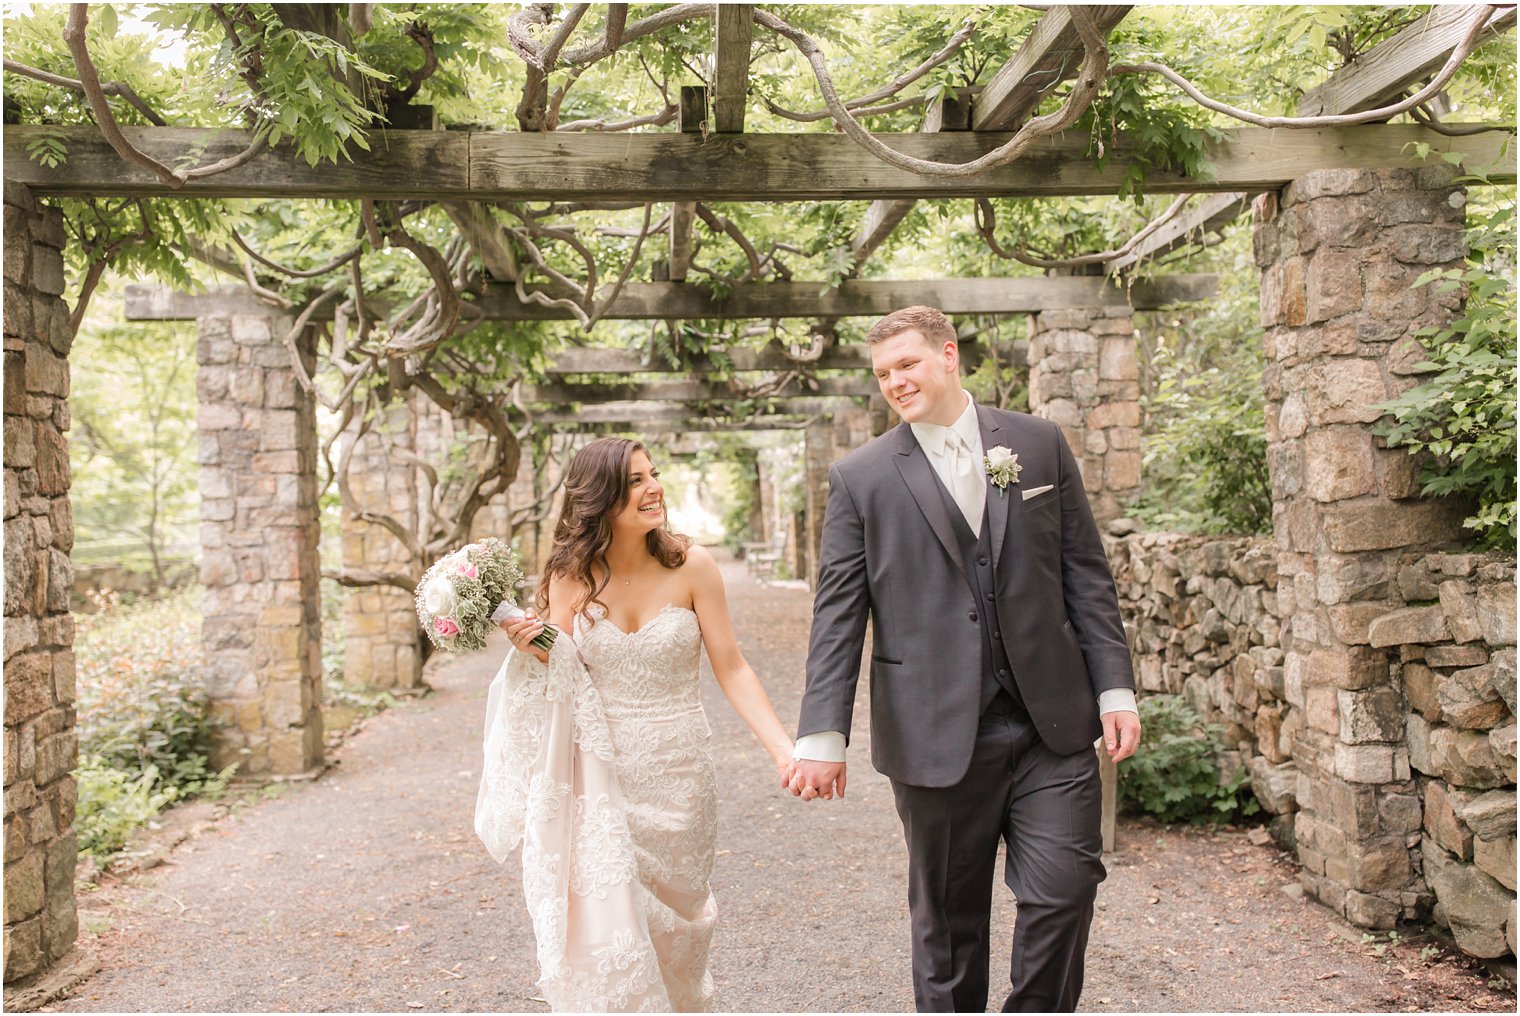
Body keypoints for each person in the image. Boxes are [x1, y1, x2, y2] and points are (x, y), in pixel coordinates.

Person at [785, 306, 1142, 1013]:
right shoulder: (861, 478)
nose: (896, 382)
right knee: (948, 928)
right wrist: (822, 736)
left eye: (908, 364)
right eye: (884, 373)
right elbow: (837, 614)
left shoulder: (1037, 445)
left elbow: (1085, 575)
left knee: (1064, 892)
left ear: (948, 356)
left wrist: (1116, 691)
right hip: (933, 733)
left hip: (1052, 724)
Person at [476, 436, 793, 1012]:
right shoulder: (567, 580)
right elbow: (562, 679)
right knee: (610, 926)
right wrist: (533, 648)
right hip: (601, 776)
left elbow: (733, 667)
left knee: (679, 929)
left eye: (653, 475)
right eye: (635, 482)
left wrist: (782, 748)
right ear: (600, 499)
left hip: (679, 771)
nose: (654, 490)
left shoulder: (694, 567)